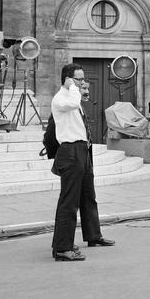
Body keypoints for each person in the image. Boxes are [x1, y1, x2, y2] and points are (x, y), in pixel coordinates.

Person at [51, 62, 115, 261]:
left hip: (83, 149)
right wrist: (73, 87)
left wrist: (79, 92)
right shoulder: (62, 98)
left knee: (89, 195)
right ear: (68, 79)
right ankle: (62, 247)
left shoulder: (73, 97)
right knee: (69, 201)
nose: (82, 83)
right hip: (71, 151)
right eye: (79, 79)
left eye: (83, 79)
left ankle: (93, 235)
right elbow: (70, 104)